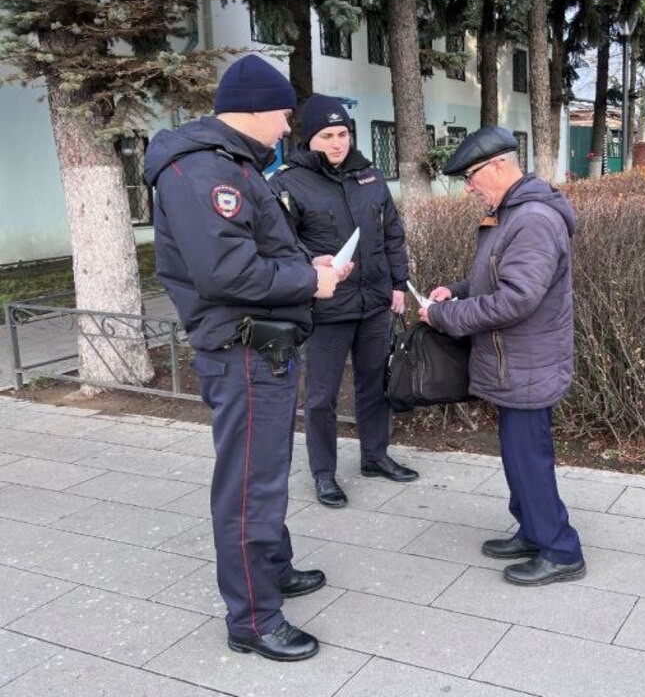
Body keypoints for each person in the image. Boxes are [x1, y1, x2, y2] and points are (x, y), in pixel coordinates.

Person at [144, 55, 350, 661]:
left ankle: (273, 568)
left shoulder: (232, 165)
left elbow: (254, 251)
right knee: (248, 489)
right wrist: (309, 282)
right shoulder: (204, 171)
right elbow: (226, 270)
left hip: (261, 346)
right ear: (256, 108)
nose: (289, 126)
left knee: (264, 473)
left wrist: (305, 267)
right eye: (285, 114)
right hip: (243, 349)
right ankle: (253, 619)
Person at [418, 126, 585, 586]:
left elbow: (516, 299)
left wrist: (443, 317)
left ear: (498, 166)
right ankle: (533, 530)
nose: (468, 187)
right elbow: (496, 280)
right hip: (515, 360)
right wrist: (454, 291)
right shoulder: (510, 213)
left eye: (471, 176)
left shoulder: (531, 218)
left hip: (527, 362)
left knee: (528, 457)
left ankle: (560, 548)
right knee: (518, 455)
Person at [270, 94, 418, 509]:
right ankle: (324, 474)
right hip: (326, 307)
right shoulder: (286, 183)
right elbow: (278, 244)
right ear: (309, 139)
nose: (337, 143)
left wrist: (398, 284)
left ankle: (375, 456)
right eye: (327, 135)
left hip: (373, 301)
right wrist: (308, 262)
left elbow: (392, 233)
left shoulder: (369, 176)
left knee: (375, 385)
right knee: (322, 396)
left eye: (343, 134)